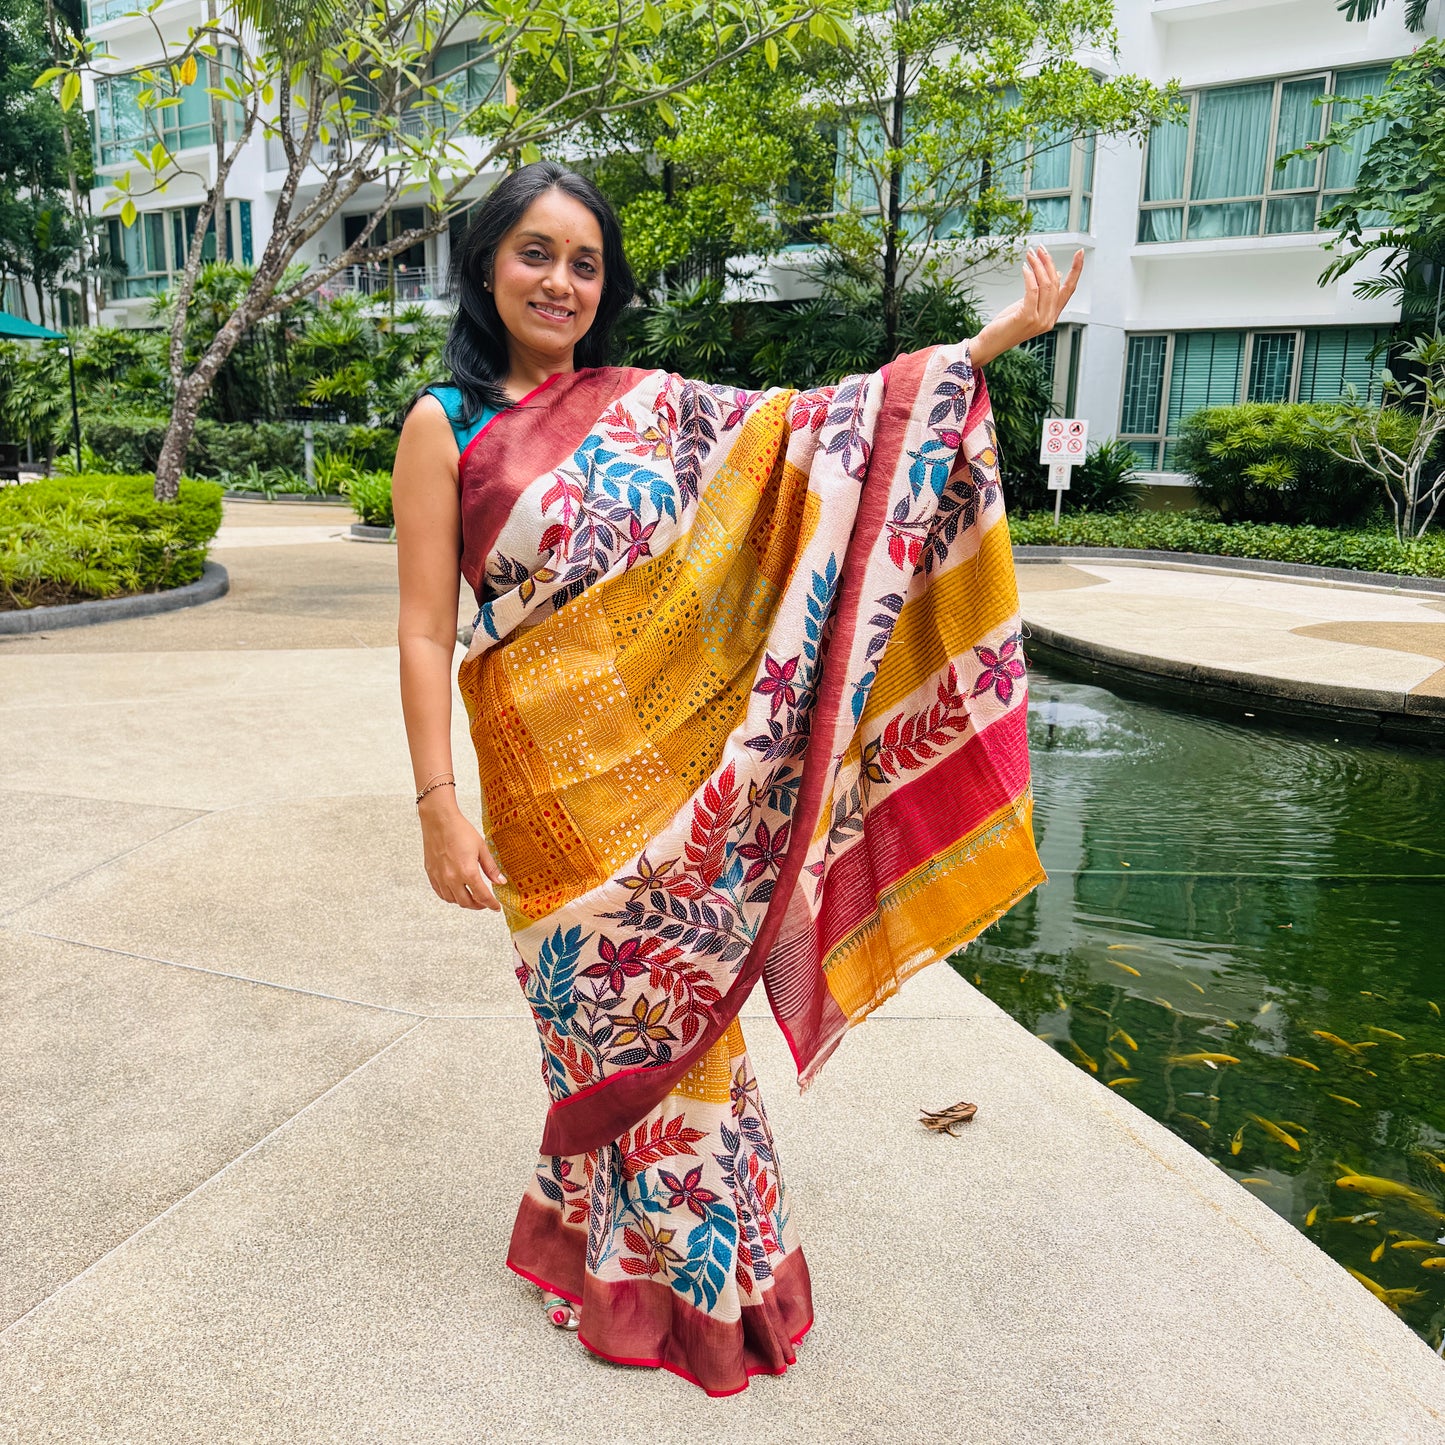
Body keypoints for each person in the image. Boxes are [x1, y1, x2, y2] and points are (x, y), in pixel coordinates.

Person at [393, 159, 1081, 1396]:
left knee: (685, 1029)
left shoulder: (654, 407)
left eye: (584, 261)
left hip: (667, 774)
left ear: (606, 286)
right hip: (538, 785)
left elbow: (818, 439)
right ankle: (616, 1264)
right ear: (485, 263)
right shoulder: (446, 424)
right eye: (534, 253)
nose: (560, 280)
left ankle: (698, 1284)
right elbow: (418, 629)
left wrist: (986, 344)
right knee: (589, 1031)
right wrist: (437, 804)